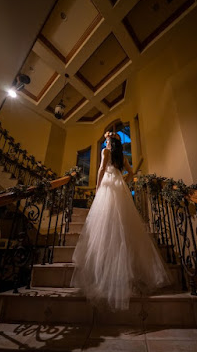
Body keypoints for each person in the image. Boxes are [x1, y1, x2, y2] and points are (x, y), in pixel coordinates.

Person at [71, 131, 172, 310]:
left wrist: (97, 186)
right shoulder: (122, 156)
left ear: (109, 141)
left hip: (108, 185)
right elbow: (132, 172)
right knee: (123, 222)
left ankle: (104, 269)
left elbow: (102, 169)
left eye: (106, 139)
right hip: (119, 184)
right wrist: (122, 180)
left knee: (107, 221)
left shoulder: (105, 152)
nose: (106, 142)